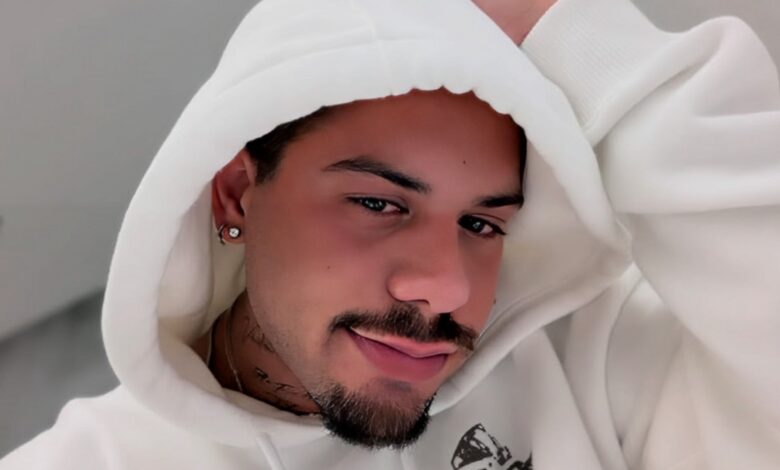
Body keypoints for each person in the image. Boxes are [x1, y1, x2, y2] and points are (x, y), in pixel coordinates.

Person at [3, 0, 779, 468]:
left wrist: (571, 35)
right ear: (238, 192)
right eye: (379, 203)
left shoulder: (594, 362)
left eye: (482, 222)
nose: (446, 286)